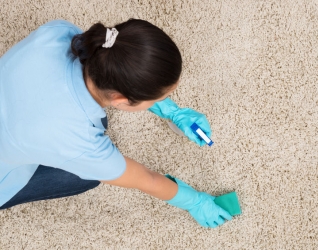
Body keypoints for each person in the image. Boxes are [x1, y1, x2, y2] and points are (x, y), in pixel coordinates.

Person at [0, 19, 232, 228]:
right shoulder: (82, 143)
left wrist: (172, 111)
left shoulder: (56, 33)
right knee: (87, 177)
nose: (161, 101)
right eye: (157, 99)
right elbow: (145, 179)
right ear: (121, 100)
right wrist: (195, 202)